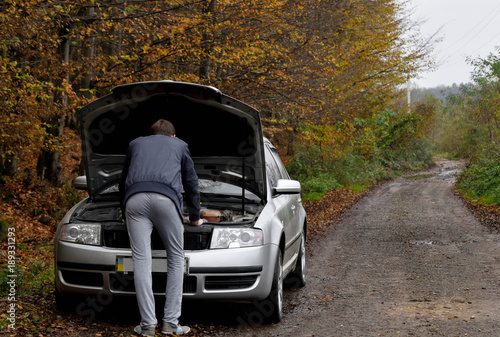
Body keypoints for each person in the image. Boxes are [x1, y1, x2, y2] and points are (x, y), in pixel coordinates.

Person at [119, 119, 203, 336]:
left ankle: (147, 325)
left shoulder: (135, 144)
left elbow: (123, 180)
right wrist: (194, 216)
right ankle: (170, 324)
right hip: (166, 200)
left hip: (134, 200)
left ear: (151, 133)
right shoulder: (180, 145)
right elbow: (191, 182)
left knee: (141, 261)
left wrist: (124, 213)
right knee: (175, 258)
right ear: (173, 136)